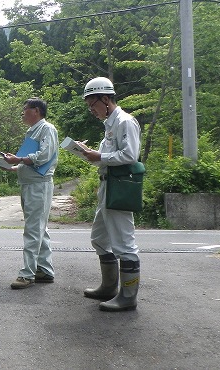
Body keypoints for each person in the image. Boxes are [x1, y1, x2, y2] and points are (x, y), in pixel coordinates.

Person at [79, 77, 141, 311]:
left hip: (121, 187)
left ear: (105, 99)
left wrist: (100, 157)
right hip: (107, 186)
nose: (91, 110)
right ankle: (109, 287)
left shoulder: (125, 122)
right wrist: (88, 153)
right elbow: (105, 159)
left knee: (125, 244)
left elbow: (130, 155)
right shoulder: (110, 124)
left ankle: (128, 296)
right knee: (99, 239)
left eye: (92, 104)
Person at [2, 98, 58, 289]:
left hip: (38, 185)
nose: (23, 113)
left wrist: (20, 159)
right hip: (29, 184)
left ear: (36, 110)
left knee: (33, 229)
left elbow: (44, 155)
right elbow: (31, 161)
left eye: (25, 109)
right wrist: (16, 166)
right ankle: (44, 269)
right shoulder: (33, 131)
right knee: (39, 228)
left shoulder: (47, 129)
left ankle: (27, 274)